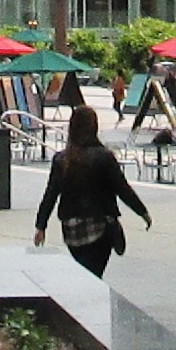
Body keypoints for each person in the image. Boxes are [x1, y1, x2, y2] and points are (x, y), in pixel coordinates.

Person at [35, 106, 150, 278]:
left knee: (85, 273)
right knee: (93, 275)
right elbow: (122, 188)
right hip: (99, 225)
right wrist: (142, 212)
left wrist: (40, 226)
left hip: (71, 229)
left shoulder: (62, 159)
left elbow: (50, 194)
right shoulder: (104, 157)